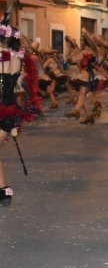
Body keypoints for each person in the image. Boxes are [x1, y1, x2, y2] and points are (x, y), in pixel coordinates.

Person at [0, 12, 42, 206]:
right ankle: (4, 190)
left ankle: (4, 189)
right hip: (9, 111)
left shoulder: (4, 57)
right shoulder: (17, 57)